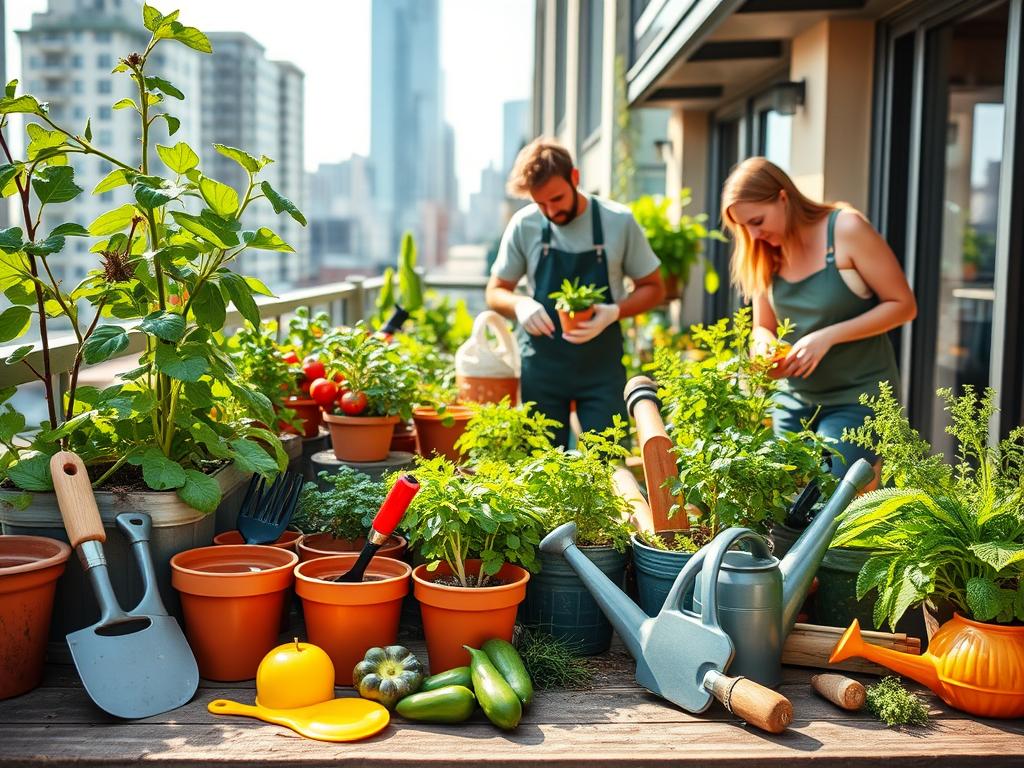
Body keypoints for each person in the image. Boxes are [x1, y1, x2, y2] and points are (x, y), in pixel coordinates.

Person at [720, 157, 916, 490]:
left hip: (858, 397)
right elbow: (762, 326)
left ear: (783, 198)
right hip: (793, 401)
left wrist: (827, 337)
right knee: (785, 502)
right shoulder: (764, 251)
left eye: (757, 220)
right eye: (745, 227)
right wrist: (763, 346)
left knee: (833, 497)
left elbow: (903, 306)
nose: (753, 234)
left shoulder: (845, 230)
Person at [486, 138, 665, 446]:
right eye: (540, 203)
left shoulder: (618, 221)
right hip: (541, 368)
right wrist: (520, 305)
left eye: (556, 199)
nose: (550, 211)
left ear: (576, 178)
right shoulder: (524, 225)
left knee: (609, 459)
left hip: (600, 368)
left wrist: (615, 311)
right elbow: (496, 291)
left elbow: (654, 288)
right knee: (541, 467)